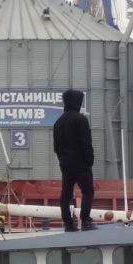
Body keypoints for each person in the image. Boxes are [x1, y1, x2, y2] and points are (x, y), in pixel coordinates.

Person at [53, 89, 96, 232]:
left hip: (65, 162)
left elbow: (56, 147)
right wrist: (89, 161)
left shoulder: (58, 122)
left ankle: (68, 224)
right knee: (88, 190)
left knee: (66, 193)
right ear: (77, 102)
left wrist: (62, 159)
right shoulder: (81, 120)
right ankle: (85, 221)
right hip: (80, 162)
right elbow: (86, 143)